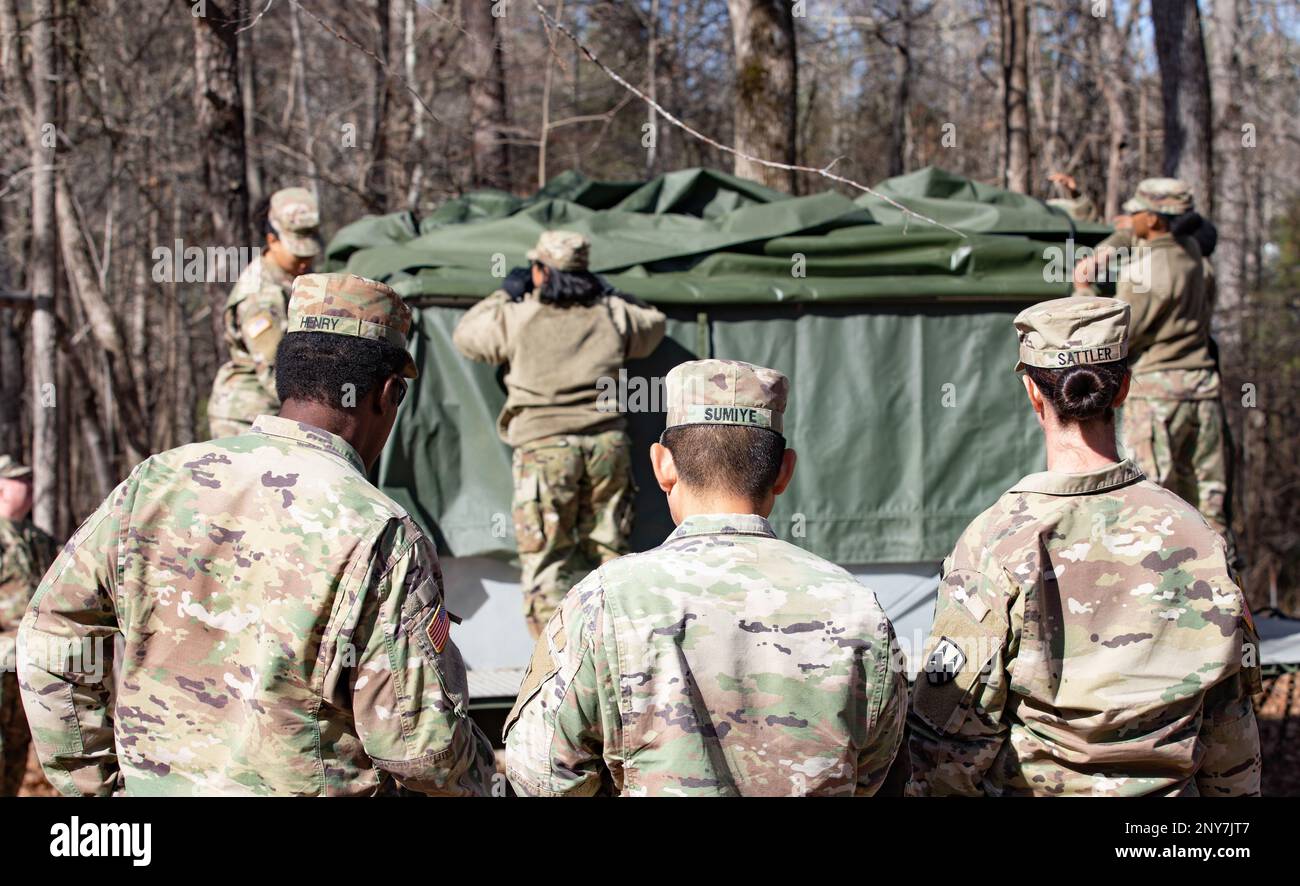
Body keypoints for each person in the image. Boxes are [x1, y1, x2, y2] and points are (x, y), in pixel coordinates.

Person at [18, 273, 494, 796]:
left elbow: (50, 636)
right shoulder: (380, 532)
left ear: (284, 376)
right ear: (386, 394)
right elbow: (422, 749)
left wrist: (96, 787)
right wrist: (495, 777)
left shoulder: (155, 483)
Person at [907, 296, 1260, 797]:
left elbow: (950, 741)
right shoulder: (1197, 535)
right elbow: (1231, 730)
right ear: (1123, 391)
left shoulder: (997, 540)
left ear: (1032, 392)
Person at [504, 358, 907, 796]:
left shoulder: (604, 601)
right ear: (784, 471)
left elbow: (541, 773)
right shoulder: (856, 607)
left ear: (663, 466)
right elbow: (873, 767)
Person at [453, 229, 666, 638]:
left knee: (547, 561)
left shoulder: (517, 316)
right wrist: (611, 292)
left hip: (545, 449)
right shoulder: (611, 313)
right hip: (607, 447)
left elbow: (467, 336)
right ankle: (614, 655)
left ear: (539, 271)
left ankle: (553, 665)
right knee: (610, 552)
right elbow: (653, 324)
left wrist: (505, 294)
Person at [1106, 179, 1229, 539]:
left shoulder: (1143, 272)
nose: (1130, 216)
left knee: (1148, 501)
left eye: (1136, 211)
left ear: (1156, 220)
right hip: (1202, 389)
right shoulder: (1194, 253)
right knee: (1210, 501)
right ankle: (1225, 579)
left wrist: (1082, 289)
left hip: (1157, 395)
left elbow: (1120, 336)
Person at [208, 187, 323, 438]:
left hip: (278, 415)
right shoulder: (261, 296)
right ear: (272, 240)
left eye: (309, 254)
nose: (305, 262)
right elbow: (274, 372)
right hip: (248, 419)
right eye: (297, 254)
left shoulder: (291, 278)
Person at [0, 455, 56, 796]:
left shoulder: (38, 539)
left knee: (17, 748)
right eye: (21, 480)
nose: (30, 487)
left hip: (26, 663)